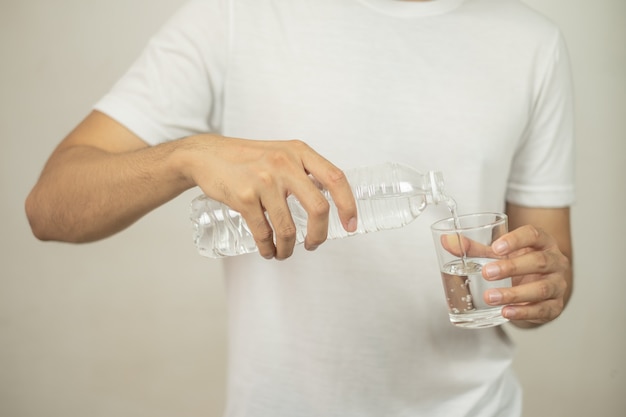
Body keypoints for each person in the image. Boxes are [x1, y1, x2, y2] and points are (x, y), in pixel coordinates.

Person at [25, 0, 574, 415]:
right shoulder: (236, 16)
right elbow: (49, 205)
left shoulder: (531, 42)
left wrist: (542, 285)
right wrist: (186, 155)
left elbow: (547, 270)